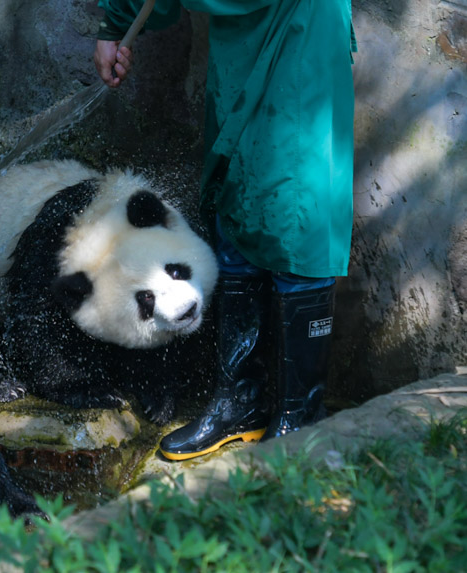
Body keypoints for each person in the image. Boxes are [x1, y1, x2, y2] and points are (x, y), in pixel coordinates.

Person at [93, 0, 356, 460]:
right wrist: (115, 22)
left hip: (297, 31)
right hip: (241, 44)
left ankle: (300, 418)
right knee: (235, 194)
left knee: (296, 206)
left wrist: (117, 20)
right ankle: (240, 403)